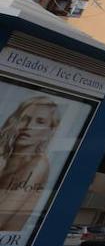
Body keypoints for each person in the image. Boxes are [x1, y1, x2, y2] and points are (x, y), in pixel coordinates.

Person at [0, 96, 61, 232]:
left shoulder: (37, 165)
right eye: (24, 119)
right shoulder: (5, 159)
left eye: (40, 122)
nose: (28, 127)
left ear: (49, 131)